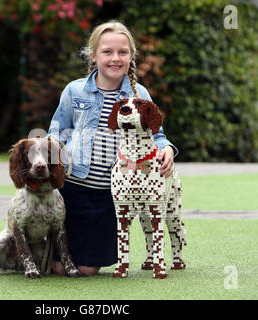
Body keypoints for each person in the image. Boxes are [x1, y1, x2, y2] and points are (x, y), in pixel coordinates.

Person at [48, 20, 178, 276]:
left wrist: (168, 149)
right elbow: (57, 131)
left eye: (123, 52)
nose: (115, 58)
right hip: (72, 190)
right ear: (94, 55)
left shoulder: (139, 94)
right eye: (107, 52)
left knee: (86, 269)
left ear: (131, 57)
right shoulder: (74, 90)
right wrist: (53, 153)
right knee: (60, 267)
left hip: (112, 195)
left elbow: (157, 134)